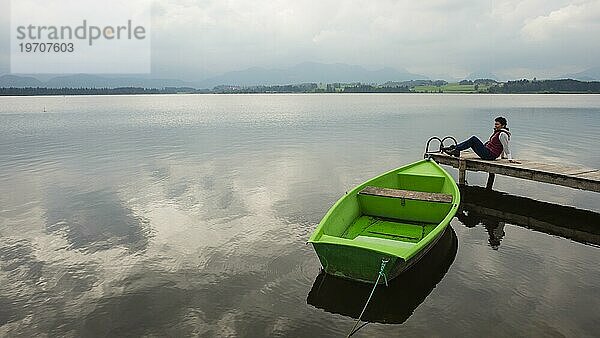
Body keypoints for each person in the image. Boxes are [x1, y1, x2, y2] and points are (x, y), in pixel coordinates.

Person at [443, 117, 519, 163]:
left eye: (497, 124)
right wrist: (502, 157)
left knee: (473, 139)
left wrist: (510, 159)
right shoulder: (498, 132)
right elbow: (500, 146)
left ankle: (454, 149)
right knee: (473, 141)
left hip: (490, 155)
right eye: (495, 124)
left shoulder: (503, 134)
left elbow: (505, 146)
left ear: (503, 125)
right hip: (488, 153)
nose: (495, 125)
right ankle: (455, 149)